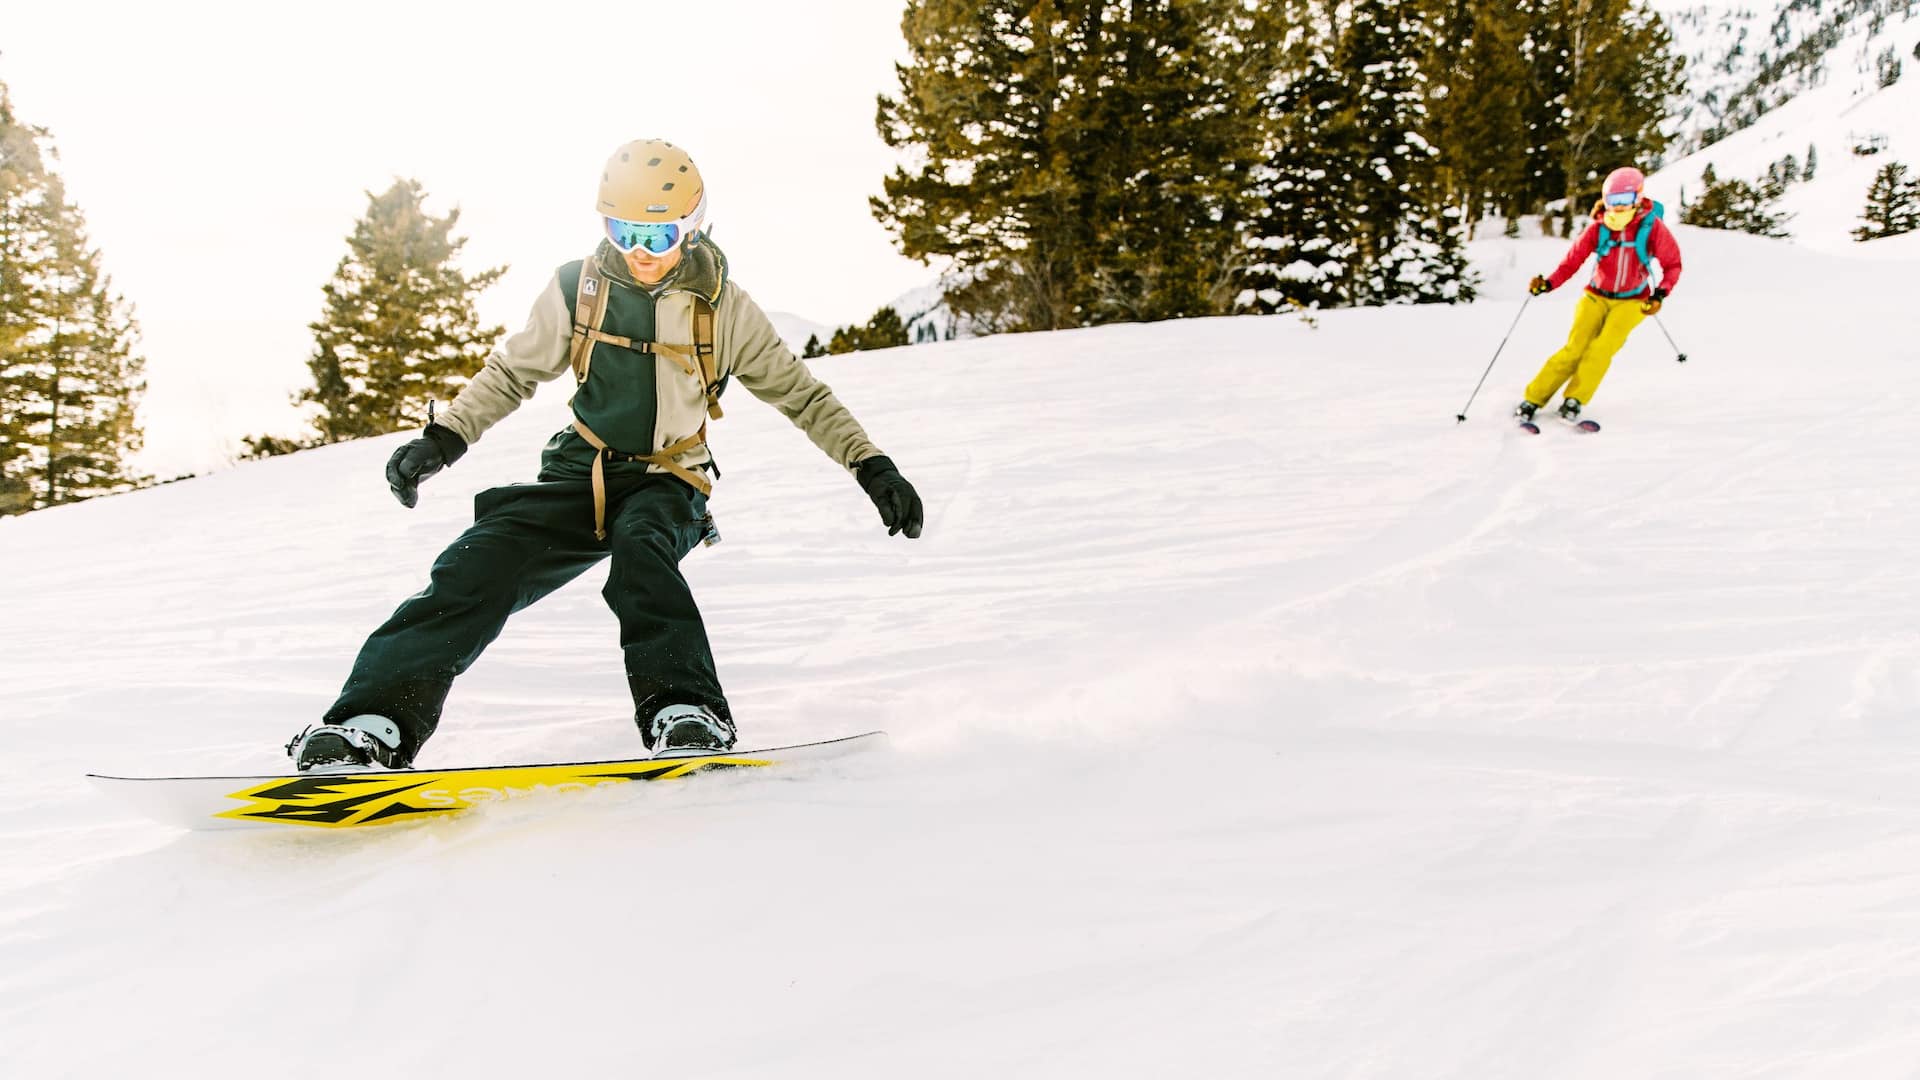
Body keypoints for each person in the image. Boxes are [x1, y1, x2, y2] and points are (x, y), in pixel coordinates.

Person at [284, 139, 924, 771]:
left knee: (643, 558)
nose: (641, 254)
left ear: (693, 228)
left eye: (659, 236)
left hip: (667, 478)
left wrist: (872, 466)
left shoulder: (724, 308)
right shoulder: (578, 288)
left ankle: (687, 713)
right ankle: (371, 724)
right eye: (624, 232)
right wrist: (444, 437)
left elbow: (802, 396)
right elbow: (513, 373)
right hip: (577, 473)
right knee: (475, 567)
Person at [1516, 166, 1683, 424]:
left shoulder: (1653, 228)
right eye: (1612, 201)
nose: (1617, 208)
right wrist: (1548, 284)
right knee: (1575, 348)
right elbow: (1571, 263)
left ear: (1637, 198)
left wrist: (1660, 293)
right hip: (1595, 296)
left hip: (1633, 300)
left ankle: (1575, 399)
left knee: (1601, 348)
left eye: (1623, 201)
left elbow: (1673, 264)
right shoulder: (1598, 228)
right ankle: (1533, 398)